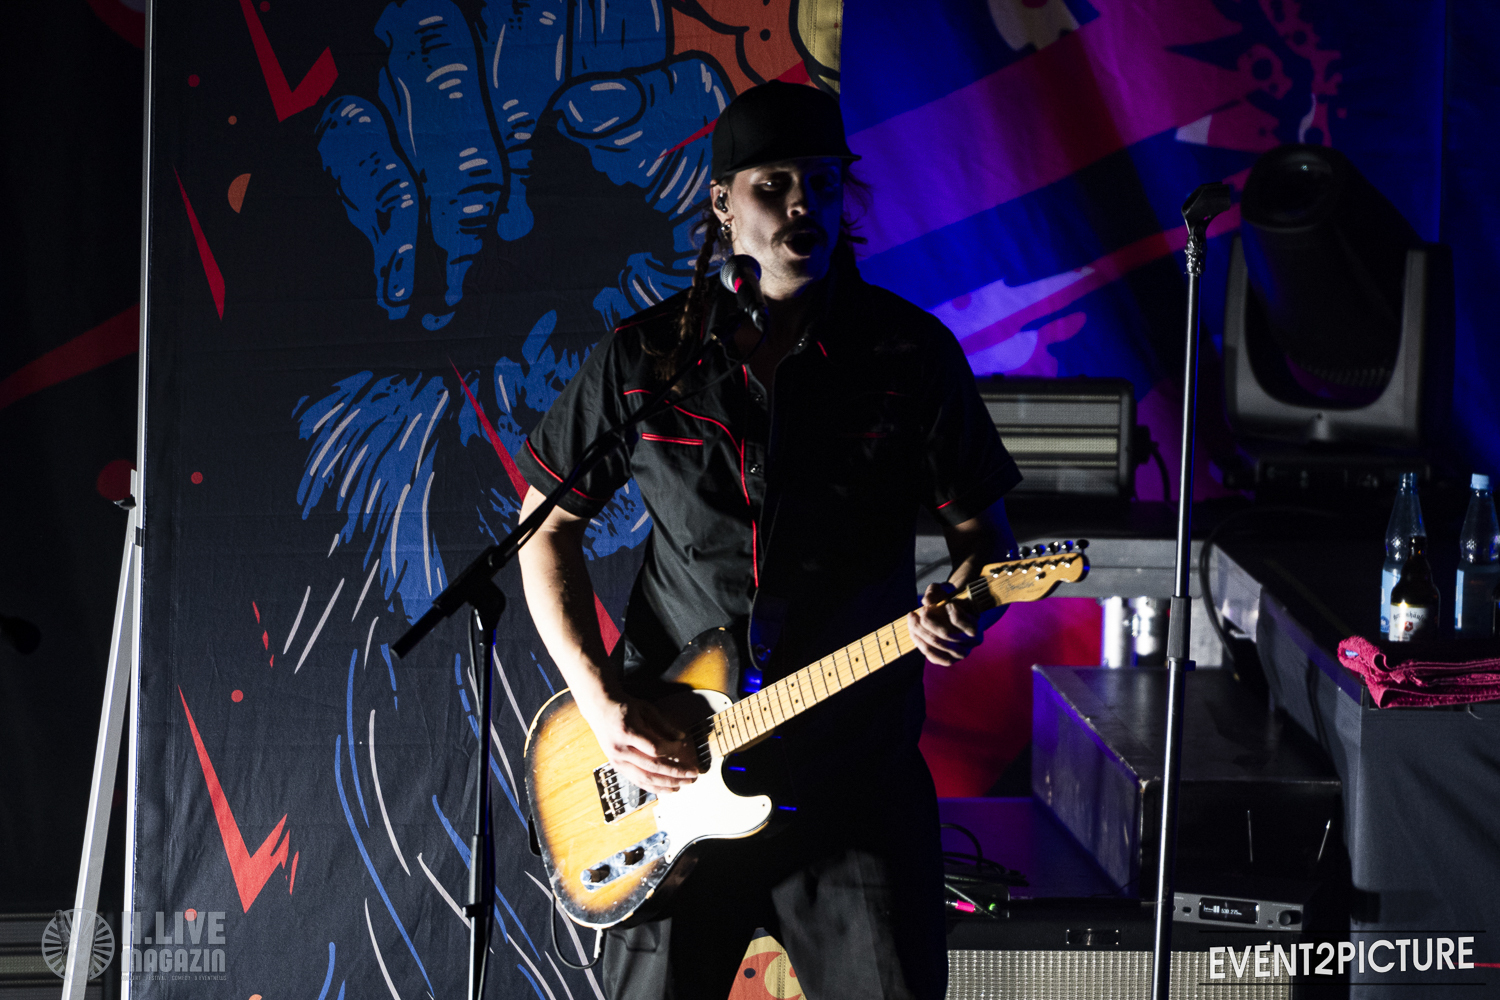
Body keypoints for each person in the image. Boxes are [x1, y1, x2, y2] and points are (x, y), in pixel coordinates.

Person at [515, 81, 1021, 1000]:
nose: (803, 205)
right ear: (722, 202)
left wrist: (967, 604)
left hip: (855, 777)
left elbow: (985, 536)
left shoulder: (910, 356)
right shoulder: (648, 359)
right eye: (774, 184)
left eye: (823, 183)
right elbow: (544, 528)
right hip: (674, 773)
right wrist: (601, 703)